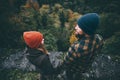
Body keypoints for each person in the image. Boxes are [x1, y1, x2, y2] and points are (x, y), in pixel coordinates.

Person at [58, 13, 104, 80]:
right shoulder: (99, 39)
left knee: (69, 76)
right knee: (78, 76)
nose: (75, 27)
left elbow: (66, 62)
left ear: (86, 30)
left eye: (79, 26)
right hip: (85, 68)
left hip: (73, 69)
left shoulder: (77, 47)